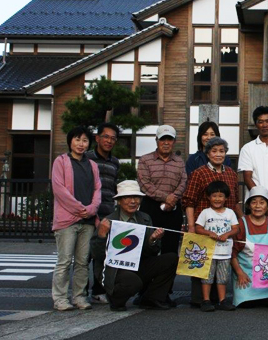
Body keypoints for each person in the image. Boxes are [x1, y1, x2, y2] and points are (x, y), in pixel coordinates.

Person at [90, 180, 177, 311]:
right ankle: (116, 298)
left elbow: (152, 252)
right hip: (114, 268)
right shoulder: (108, 221)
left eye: (136, 197)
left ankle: (151, 298)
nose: (133, 201)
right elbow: (97, 255)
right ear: (119, 201)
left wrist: (152, 240)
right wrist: (102, 235)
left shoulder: (145, 218)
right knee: (132, 281)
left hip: (136, 263)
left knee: (171, 259)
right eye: (127, 197)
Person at [183, 137, 240, 307]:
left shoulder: (231, 173)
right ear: (207, 154)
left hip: (225, 229)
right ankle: (201, 299)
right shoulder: (198, 173)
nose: (218, 154)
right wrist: (192, 227)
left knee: (222, 263)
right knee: (201, 262)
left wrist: (239, 221)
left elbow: (235, 200)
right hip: (204, 227)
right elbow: (189, 201)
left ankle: (220, 299)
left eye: (221, 151)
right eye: (214, 151)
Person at [51, 126, 101, 311]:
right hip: (67, 220)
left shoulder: (92, 165)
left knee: (82, 262)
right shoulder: (61, 161)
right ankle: (60, 298)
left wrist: (92, 209)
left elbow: (98, 189)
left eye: (85, 140)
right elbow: (59, 190)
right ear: (70, 141)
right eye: (77, 139)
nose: (81, 144)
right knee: (64, 261)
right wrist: (81, 209)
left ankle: (79, 296)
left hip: (88, 221)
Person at [137, 125, 187, 257]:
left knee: (170, 248)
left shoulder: (179, 162)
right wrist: (166, 198)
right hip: (150, 207)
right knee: (147, 245)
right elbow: (144, 184)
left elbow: (183, 182)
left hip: (173, 207)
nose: (166, 143)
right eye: (162, 139)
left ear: (174, 141)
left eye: (169, 139)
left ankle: (168, 277)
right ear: (156, 140)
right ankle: (147, 277)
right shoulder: (145, 160)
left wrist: (173, 199)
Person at [86, 122, 121, 305]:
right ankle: (81, 290)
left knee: (103, 255)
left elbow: (114, 187)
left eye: (113, 138)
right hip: (88, 213)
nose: (109, 141)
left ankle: (98, 290)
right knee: (85, 254)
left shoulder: (115, 162)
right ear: (97, 138)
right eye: (106, 137)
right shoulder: (87, 158)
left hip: (108, 213)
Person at [231, 186, 268, 308]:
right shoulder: (240, 224)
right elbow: (232, 252)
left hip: (267, 273)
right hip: (245, 272)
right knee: (246, 304)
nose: (257, 206)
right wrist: (239, 273)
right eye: (253, 202)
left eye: (262, 202)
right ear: (248, 206)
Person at [194, 180, 239, 312]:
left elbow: (236, 228)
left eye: (220, 196)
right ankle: (206, 300)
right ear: (208, 197)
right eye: (214, 196)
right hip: (208, 252)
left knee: (222, 277)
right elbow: (198, 228)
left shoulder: (230, 213)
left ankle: (222, 300)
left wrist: (228, 234)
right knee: (207, 277)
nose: (217, 199)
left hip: (225, 252)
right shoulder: (205, 212)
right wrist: (209, 233)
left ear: (226, 198)